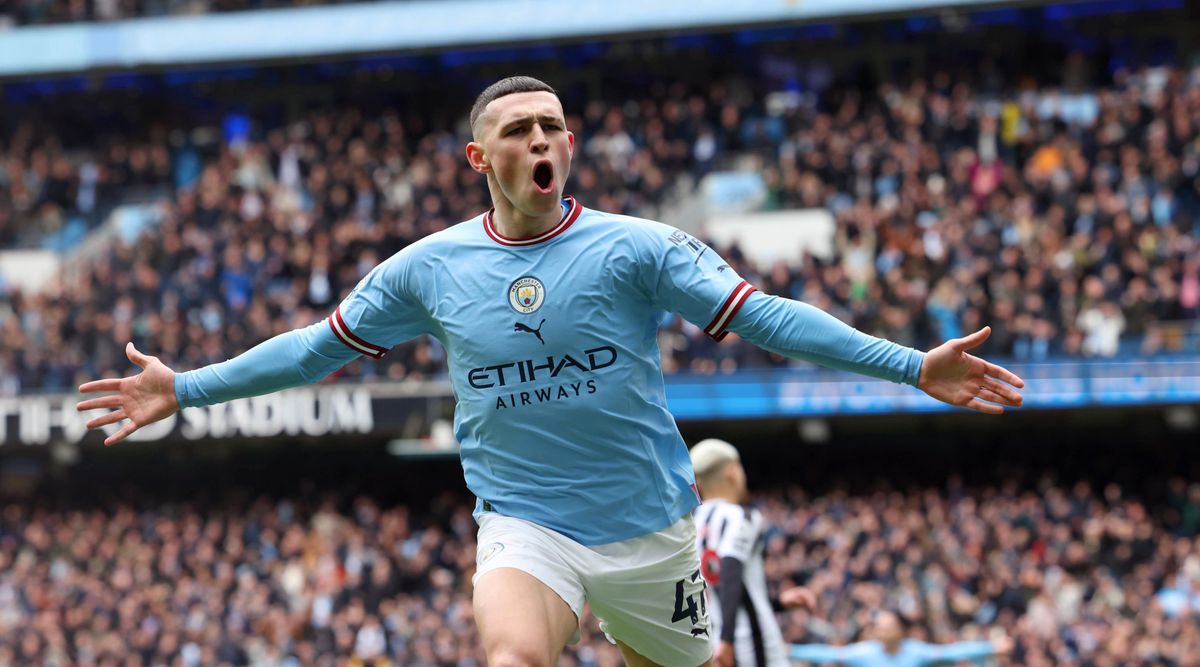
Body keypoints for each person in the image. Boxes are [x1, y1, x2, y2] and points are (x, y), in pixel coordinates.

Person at [76, 76, 1024, 667]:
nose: (541, 141)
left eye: (553, 127)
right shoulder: (430, 268)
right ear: (478, 156)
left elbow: (767, 315)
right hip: (524, 521)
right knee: (516, 654)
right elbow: (315, 348)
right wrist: (185, 386)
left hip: (653, 529)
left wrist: (909, 365)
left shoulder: (639, 247)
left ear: (570, 146)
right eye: (521, 129)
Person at [690, 438, 816, 667]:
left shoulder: (692, 525)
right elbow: (730, 571)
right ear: (733, 472)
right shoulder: (742, 516)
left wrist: (778, 602)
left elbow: (721, 586)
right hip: (754, 643)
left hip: (713, 640)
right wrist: (728, 640)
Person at [789, 611, 1013, 666]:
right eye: (880, 628)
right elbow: (827, 654)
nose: (884, 633)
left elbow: (952, 652)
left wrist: (990, 647)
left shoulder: (915, 651)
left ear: (899, 631)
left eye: (888, 628)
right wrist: (790, 650)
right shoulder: (865, 652)